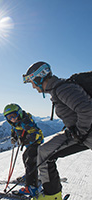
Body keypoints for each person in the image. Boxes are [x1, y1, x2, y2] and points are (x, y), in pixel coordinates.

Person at [23, 61, 92, 200]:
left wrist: (81, 131)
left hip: (86, 134)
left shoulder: (62, 89)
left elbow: (87, 109)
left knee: (44, 153)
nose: (33, 86)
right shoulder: (57, 89)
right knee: (44, 152)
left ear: (39, 77)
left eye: (32, 82)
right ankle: (51, 195)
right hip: (81, 133)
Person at [3, 103, 44, 197]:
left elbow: (35, 133)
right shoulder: (15, 122)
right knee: (25, 157)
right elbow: (14, 130)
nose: (12, 119)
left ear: (19, 113)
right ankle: (30, 175)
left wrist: (24, 140)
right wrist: (14, 137)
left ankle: (31, 187)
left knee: (30, 161)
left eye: (13, 115)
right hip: (29, 144)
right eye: (9, 117)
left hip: (36, 143)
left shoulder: (25, 122)